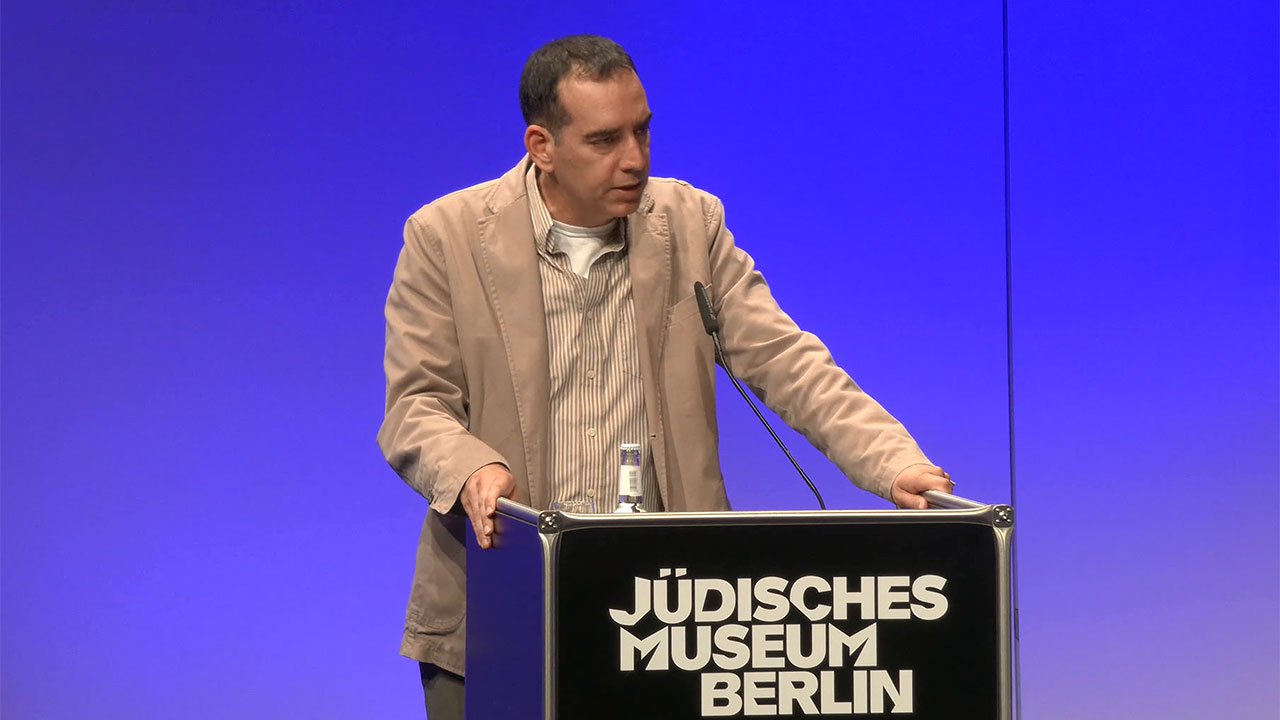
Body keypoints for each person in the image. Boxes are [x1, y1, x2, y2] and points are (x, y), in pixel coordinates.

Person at [377, 34, 953, 719]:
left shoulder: (688, 224)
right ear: (542, 146)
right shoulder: (445, 238)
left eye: (643, 131)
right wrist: (473, 469)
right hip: (503, 602)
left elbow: (786, 360)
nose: (636, 160)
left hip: (666, 616)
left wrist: (892, 463)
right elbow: (416, 406)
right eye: (605, 140)